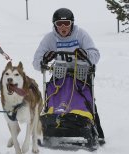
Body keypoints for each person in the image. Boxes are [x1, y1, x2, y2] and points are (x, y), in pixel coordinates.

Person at [32, 8, 105, 145]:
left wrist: (86, 55)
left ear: (72, 23)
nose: (63, 27)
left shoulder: (81, 34)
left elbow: (95, 55)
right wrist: (44, 60)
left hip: (80, 77)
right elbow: (36, 62)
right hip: (60, 77)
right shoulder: (49, 38)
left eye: (66, 23)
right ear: (55, 25)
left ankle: (95, 129)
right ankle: (53, 120)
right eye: (60, 23)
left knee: (86, 99)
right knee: (54, 93)